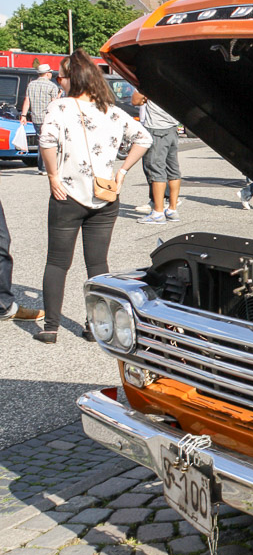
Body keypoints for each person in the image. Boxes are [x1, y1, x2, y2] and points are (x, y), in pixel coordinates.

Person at [37, 49, 151, 344]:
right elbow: (144, 138)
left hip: (68, 193)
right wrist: (122, 172)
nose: (59, 82)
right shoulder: (111, 110)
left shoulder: (60, 107)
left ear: (72, 79)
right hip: (105, 195)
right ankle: (94, 326)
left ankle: (50, 327)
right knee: (98, 263)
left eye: (61, 77)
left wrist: (52, 175)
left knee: (58, 262)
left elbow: (47, 140)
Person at [133, 92, 182, 224]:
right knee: (173, 170)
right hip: (172, 128)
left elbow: (136, 100)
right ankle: (172, 209)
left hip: (156, 128)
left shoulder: (148, 80)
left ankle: (158, 212)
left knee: (156, 169)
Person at [18, 64, 62, 175]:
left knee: (40, 141)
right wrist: (59, 96)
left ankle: (41, 167)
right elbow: (54, 103)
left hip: (36, 118)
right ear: (47, 73)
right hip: (48, 118)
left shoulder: (31, 85)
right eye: (50, 72)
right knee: (49, 142)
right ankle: (46, 167)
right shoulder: (52, 86)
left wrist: (23, 116)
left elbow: (27, 101)